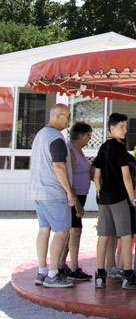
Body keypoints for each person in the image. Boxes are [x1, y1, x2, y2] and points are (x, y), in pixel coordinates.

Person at [29, 104, 82, 288]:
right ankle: (53, 275)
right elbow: (59, 166)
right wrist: (69, 192)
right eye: (67, 116)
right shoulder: (56, 138)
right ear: (58, 116)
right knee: (62, 232)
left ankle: (42, 271)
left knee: (44, 230)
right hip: (53, 192)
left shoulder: (40, 135)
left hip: (38, 191)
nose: (69, 121)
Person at [93, 112, 136, 290]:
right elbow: (126, 176)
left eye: (125, 126)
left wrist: (100, 192)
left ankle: (100, 275)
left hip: (104, 199)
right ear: (112, 128)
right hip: (119, 198)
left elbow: (96, 174)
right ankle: (128, 275)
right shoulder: (119, 149)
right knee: (125, 235)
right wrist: (132, 197)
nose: (125, 130)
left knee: (103, 236)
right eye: (121, 127)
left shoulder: (103, 147)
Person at [65, 121, 95, 281]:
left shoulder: (79, 151)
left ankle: (66, 265)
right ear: (81, 135)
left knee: (73, 230)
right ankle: (73, 267)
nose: (90, 138)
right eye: (88, 135)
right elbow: (68, 178)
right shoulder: (70, 150)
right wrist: (75, 200)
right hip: (74, 196)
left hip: (81, 195)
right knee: (74, 230)